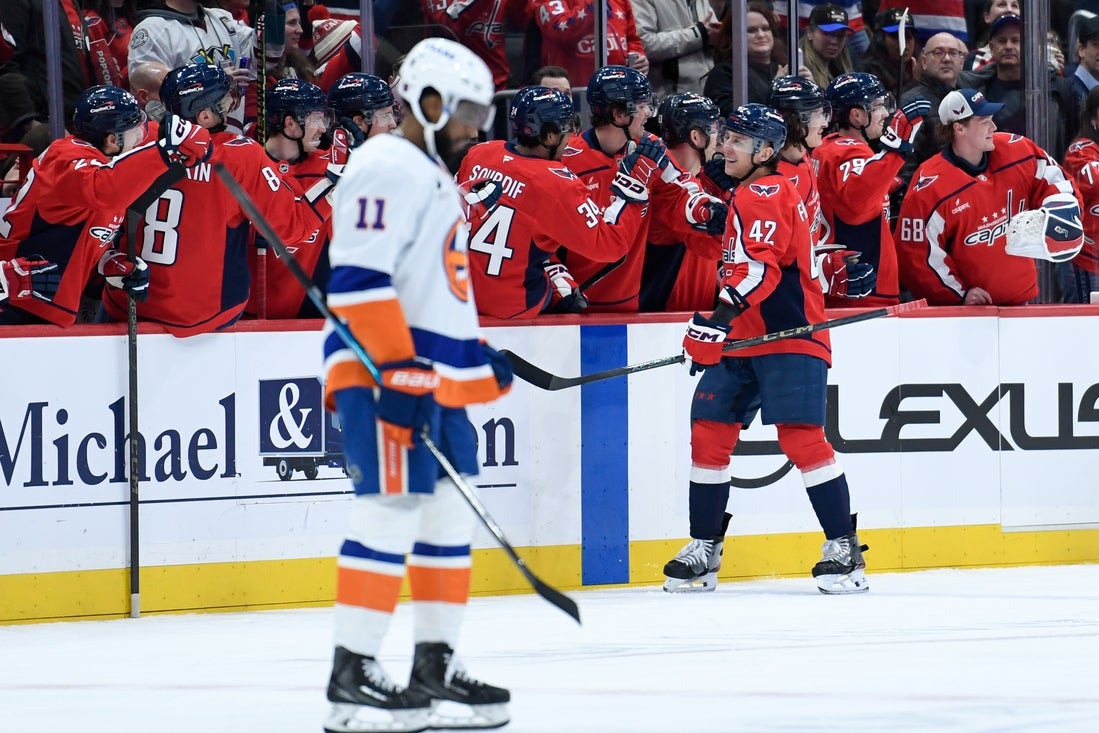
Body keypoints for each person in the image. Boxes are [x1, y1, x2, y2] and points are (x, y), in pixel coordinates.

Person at [321, 37, 514, 733]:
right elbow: (358, 279)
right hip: (386, 374)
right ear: (428, 102)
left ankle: (435, 665)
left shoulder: (428, 171)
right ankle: (351, 677)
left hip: (431, 375)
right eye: (466, 112)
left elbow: (430, 288)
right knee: (390, 510)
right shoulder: (384, 163)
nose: (474, 128)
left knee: (446, 519)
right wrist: (396, 367)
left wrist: (472, 354)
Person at [666, 102, 869, 596]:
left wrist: (715, 323)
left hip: (789, 336)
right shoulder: (748, 192)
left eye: (738, 141)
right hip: (744, 337)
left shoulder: (765, 191)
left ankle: (845, 548)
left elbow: (760, 271)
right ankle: (704, 547)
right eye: (725, 138)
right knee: (709, 436)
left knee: (802, 440)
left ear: (765, 151)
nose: (725, 147)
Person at [99, 63, 327, 336]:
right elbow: (290, 229)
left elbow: (99, 199)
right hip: (205, 315)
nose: (231, 104)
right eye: (225, 101)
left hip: (128, 305)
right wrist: (333, 189)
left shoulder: (140, 139)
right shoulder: (241, 156)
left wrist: (106, 258)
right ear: (205, 115)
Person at [0, 84, 211, 327]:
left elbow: (79, 236)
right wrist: (163, 152)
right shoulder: (67, 156)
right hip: (11, 295)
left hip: (40, 302)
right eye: (135, 130)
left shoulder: (106, 168)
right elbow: (102, 189)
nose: (140, 137)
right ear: (112, 140)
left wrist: (109, 263)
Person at [457, 85, 646, 318]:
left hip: (462, 294)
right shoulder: (555, 183)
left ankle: (554, 270)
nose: (570, 139)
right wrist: (633, 187)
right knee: (560, 288)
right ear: (549, 136)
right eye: (566, 131)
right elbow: (609, 245)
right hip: (514, 305)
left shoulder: (479, 153)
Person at [896, 88, 1083, 306]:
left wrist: (1061, 210)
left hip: (1022, 301)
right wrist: (958, 294)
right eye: (984, 121)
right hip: (965, 312)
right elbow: (916, 255)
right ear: (959, 128)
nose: (993, 127)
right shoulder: (930, 185)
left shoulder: (1017, 150)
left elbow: (1056, 180)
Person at [558, 65, 721, 312]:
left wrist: (705, 210)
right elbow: (542, 233)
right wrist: (557, 281)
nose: (648, 113)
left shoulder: (651, 147)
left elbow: (679, 189)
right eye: (642, 105)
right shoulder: (568, 160)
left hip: (628, 305)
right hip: (574, 304)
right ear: (619, 114)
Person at [816, 71, 929, 308]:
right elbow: (856, 203)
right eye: (878, 105)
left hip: (847, 286)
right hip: (862, 290)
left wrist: (886, 184)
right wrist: (896, 149)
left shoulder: (829, 147)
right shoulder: (850, 151)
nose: (885, 113)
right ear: (857, 115)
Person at [768, 75, 875, 300]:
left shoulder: (806, 157)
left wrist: (826, 262)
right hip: (783, 302)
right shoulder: (773, 183)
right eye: (819, 114)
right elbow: (767, 262)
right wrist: (823, 271)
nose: (826, 123)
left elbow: (804, 242)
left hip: (807, 295)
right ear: (797, 120)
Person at [249, 77, 337, 319]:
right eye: (316, 119)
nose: (322, 128)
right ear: (290, 123)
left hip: (311, 315)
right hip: (245, 319)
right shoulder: (246, 166)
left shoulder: (332, 166)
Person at [641, 92, 725, 312]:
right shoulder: (666, 187)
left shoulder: (700, 180)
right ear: (696, 137)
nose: (719, 140)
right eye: (714, 129)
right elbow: (717, 247)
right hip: (664, 320)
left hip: (690, 314)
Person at [958, 13, 1079, 160]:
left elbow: (1073, 139)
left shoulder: (1060, 88)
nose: (1008, 46)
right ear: (991, 48)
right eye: (1002, 41)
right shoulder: (976, 93)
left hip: (1047, 170)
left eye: (1016, 40)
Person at [127, 0, 255, 135]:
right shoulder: (152, 30)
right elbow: (153, 107)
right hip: (187, 143)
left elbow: (262, 60)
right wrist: (216, 85)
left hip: (232, 139)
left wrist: (268, 16)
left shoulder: (222, 18)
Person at [894, 32, 968, 219]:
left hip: (964, 202)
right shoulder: (911, 104)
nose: (947, 58)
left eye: (953, 53)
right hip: (929, 210)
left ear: (961, 62)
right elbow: (903, 170)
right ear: (924, 62)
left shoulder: (968, 100)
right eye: (938, 52)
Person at [531, 0, 649, 89]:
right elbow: (560, 31)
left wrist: (638, 57)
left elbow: (632, 38)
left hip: (618, 88)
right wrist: (595, 4)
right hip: (573, 91)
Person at [704, 1, 788, 113]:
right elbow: (729, 114)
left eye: (765, 28)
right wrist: (773, 91)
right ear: (734, 36)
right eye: (751, 30)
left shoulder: (784, 67)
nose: (761, 35)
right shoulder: (724, 74)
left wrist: (808, 88)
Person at [631, 0, 721, 98]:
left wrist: (719, 36)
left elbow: (709, 31)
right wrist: (698, 34)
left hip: (707, 90)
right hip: (669, 96)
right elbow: (643, 44)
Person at [1060, 86, 1099, 303]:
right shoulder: (1081, 149)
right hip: (1087, 259)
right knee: (1087, 320)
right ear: (1093, 118)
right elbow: (1094, 180)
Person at [326, 72, 398, 164]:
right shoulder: (324, 168)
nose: (393, 124)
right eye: (385, 116)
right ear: (358, 122)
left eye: (392, 114)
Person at [857, 7, 919, 97]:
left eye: (908, 37)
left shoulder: (919, 63)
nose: (903, 43)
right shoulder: (867, 72)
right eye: (895, 36)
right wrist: (915, 82)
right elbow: (884, 103)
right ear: (880, 39)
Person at [799, 3, 857, 90]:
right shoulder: (799, 68)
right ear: (810, 32)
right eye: (827, 34)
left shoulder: (847, 64)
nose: (834, 41)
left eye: (840, 36)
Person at [962, 0, 1019, 72]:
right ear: (987, 17)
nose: (1009, 10)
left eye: (1014, 5)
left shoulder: (1031, 57)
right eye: (1002, 5)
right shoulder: (974, 60)